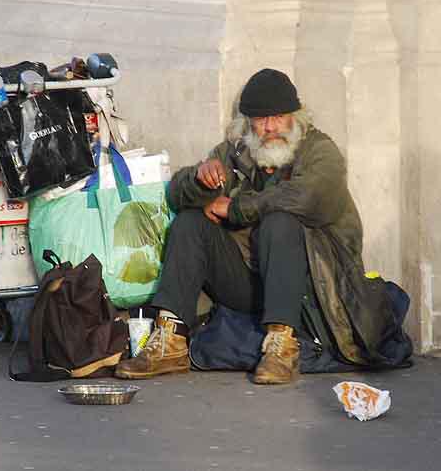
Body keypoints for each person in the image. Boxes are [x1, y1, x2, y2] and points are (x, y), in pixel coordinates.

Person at [115, 68, 407, 384]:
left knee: (279, 222)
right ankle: (170, 340)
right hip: (251, 283)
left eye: (279, 117)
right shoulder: (236, 152)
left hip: (313, 291)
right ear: (248, 122)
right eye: (261, 119)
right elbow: (176, 195)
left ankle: (281, 346)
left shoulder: (321, 151)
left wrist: (237, 207)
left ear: (296, 116)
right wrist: (199, 179)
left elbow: (308, 198)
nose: (270, 128)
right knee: (190, 222)